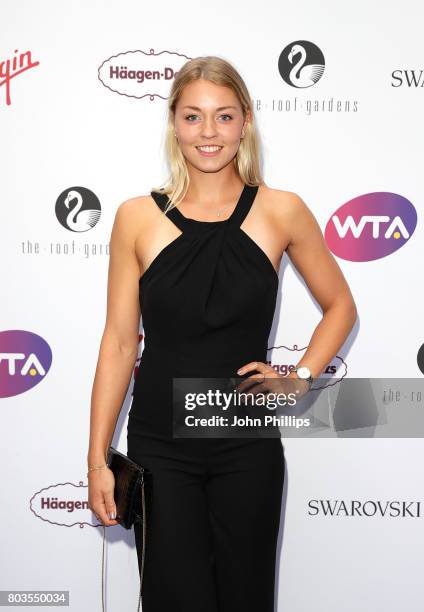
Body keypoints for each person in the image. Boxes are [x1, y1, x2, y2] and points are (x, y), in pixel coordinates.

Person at [87, 56, 357, 611]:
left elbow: (340, 305)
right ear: (174, 125)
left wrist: (299, 378)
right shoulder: (136, 217)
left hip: (245, 446)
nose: (208, 133)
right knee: (171, 600)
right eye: (193, 117)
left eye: (223, 116)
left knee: (245, 599)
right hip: (161, 448)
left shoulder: (282, 211)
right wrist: (97, 462)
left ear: (246, 123)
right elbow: (118, 343)